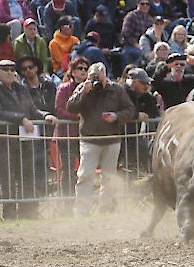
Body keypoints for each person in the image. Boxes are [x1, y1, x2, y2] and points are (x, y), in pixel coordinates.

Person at [0, 59, 57, 219]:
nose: (10, 72)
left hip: (24, 142)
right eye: (6, 69)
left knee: (27, 178)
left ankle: (28, 213)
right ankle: (9, 215)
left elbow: (32, 109)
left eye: (12, 69)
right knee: (7, 180)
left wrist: (46, 115)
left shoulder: (21, 88)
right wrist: (21, 119)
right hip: (4, 141)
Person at [66, 62, 135, 216]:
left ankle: (106, 209)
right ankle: (82, 210)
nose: (97, 81)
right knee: (85, 175)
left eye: (100, 77)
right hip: (89, 140)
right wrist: (84, 92)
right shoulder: (84, 88)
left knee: (109, 177)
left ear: (106, 76)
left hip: (112, 140)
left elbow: (130, 109)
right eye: (94, 77)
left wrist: (117, 116)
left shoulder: (116, 89)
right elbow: (70, 107)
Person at [55, 56, 88, 196]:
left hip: (84, 135)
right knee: (68, 170)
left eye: (86, 69)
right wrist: (76, 117)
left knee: (85, 169)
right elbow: (59, 109)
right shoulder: (63, 88)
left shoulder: (90, 89)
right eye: (80, 68)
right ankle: (67, 200)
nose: (83, 71)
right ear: (72, 71)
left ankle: (84, 198)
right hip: (66, 135)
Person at [123, 67, 159, 173]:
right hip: (118, 137)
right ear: (134, 82)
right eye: (143, 83)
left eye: (148, 83)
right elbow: (116, 111)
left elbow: (154, 114)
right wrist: (136, 115)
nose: (147, 86)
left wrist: (149, 97)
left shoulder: (145, 96)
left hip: (133, 136)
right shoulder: (121, 92)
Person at [122, 0, 154, 67]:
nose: (145, 6)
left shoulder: (150, 19)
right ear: (138, 4)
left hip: (146, 46)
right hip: (130, 46)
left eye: (147, 4)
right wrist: (136, 44)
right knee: (139, 54)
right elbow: (126, 34)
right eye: (142, 4)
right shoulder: (131, 16)